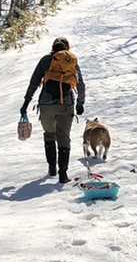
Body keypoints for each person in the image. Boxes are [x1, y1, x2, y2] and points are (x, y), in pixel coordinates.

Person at [21, 37, 87, 184]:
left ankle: (52, 168)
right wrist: (80, 103)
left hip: (46, 104)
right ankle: (63, 174)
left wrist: (26, 103)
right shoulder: (71, 61)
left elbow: (34, 82)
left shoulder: (46, 60)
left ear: (53, 48)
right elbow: (81, 84)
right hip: (66, 104)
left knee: (49, 134)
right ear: (67, 48)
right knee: (64, 137)